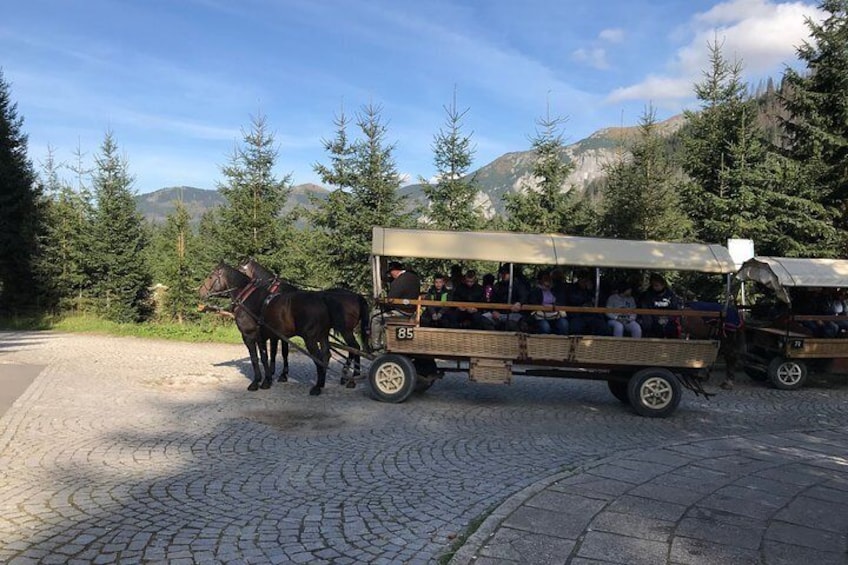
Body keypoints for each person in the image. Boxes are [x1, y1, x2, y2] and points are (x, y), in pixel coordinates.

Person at [370, 261, 422, 349]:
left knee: (374, 316)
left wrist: (383, 303)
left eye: (391, 273)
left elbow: (391, 299)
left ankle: (376, 345)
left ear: (394, 271)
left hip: (402, 312)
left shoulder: (399, 281)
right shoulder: (413, 277)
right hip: (411, 310)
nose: (391, 275)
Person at [485, 264, 530, 331]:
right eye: (502, 273)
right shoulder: (497, 286)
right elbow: (492, 300)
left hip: (513, 314)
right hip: (498, 313)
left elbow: (524, 296)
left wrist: (519, 303)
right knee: (483, 319)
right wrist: (493, 311)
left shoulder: (518, 285)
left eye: (506, 273)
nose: (503, 275)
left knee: (511, 324)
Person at [639, 273, 681, 338]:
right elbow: (646, 310)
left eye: (657, 285)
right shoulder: (648, 295)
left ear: (663, 285)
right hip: (653, 321)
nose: (655, 287)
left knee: (672, 329)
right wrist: (657, 319)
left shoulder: (671, 295)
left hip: (669, 320)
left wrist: (667, 318)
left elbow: (675, 309)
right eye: (653, 285)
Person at [528, 271, 569, 335]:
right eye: (545, 278)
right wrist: (543, 307)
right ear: (540, 280)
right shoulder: (535, 291)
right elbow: (533, 302)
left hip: (555, 315)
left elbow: (561, 301)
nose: (547, 280)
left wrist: (553, 306)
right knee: (545, 327)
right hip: (541, 316)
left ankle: (563, 343)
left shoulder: (556, 289)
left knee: (564, 324)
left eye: (549, 278)